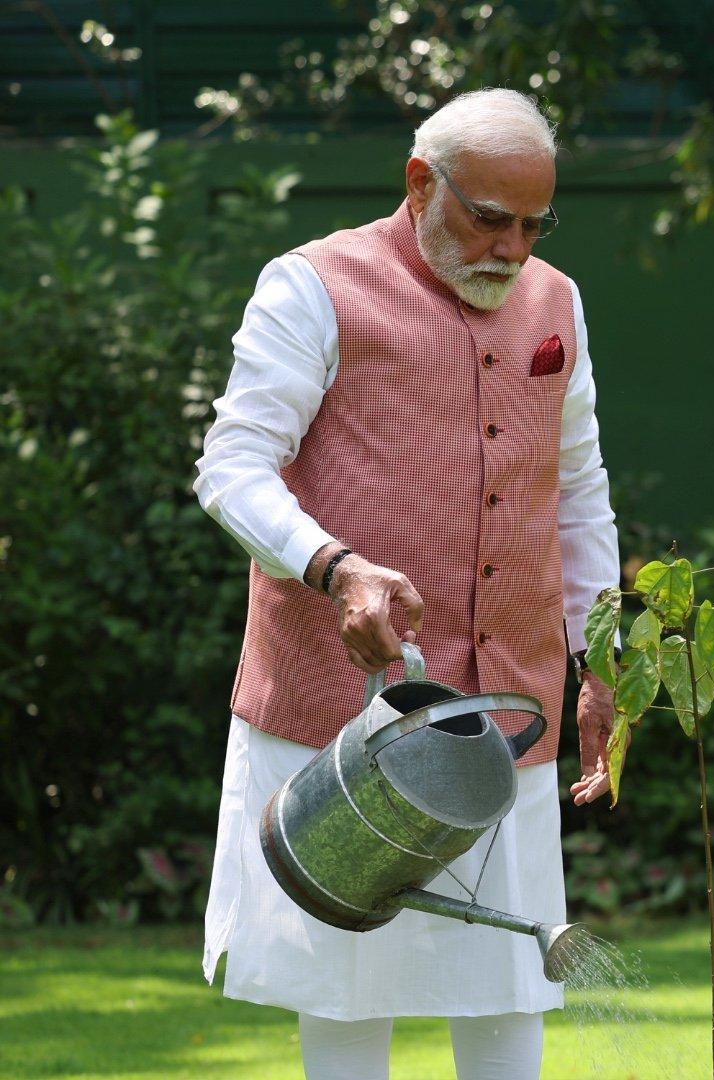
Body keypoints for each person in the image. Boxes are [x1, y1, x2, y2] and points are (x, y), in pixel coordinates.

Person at [192, 87, 619, 1079]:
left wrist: (598, 657)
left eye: (532, 224)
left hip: (511, 704)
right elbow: (234, 465)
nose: (511, 249)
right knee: (345, 985)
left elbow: (582, 493)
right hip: (338, 711)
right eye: (488, 218)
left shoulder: (557, 302)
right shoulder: (310, 285)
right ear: (420, 184)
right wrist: (334, 566)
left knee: (512, 981)